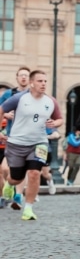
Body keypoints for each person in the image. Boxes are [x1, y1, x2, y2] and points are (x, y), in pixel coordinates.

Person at [0, 70, 63, 220]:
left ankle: (28, 208)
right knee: (17, 178)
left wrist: (55, 123)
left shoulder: (50, 101)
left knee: (34, 174)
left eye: (45, 81)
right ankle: (10, 184)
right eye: (40, 81)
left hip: (39, 143)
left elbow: (59, 119)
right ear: (32, 83)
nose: (43, 84)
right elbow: (1, 109)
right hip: (17, 143)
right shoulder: (19, 98)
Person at [0, 66, 31, 209]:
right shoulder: (8, 94)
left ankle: (18, 197)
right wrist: (6, 115)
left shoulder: (34, 94)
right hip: (11, 135)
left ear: (30, 78)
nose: (24, 77)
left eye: (26, 75)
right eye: (21, 75)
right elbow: (1, 110)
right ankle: (10, 188)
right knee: (5, 169)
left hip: (28, 136)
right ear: (17, 78)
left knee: (22, 167)